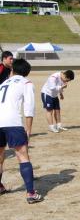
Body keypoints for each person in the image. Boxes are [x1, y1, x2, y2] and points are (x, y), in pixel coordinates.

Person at [0, 58, 43, 203]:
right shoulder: (26, 83)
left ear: (12, 70)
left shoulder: (3, 83)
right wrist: (28, 129)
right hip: (13, 123)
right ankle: (31, 193)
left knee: (0, 157)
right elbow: (29, 108)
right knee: (23, 156)